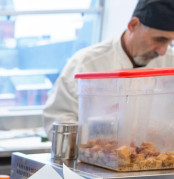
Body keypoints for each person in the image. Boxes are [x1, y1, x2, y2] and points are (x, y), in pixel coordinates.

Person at [42, 0, 174, 137]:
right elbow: (57, 119)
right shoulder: (87, 63)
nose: (162, 51)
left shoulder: (171, 62)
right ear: (133, 25)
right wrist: (98, 141)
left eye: (170, 42)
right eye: (159, 40)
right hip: (92, 156)